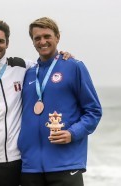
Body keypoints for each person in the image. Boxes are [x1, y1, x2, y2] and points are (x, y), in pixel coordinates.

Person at [0, 18, 71, 186]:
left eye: (0, 41)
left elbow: (48, 65)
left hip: (12, 161)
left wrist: (63, 56)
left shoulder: (22, 67)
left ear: (7, 43)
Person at [18, 17, 102, 186]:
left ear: (57, 37)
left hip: (66, 164)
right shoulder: (28, 74)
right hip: (30, 167)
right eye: (37, 38)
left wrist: (73, 133)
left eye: (47, 36)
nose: (42, 41)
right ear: (33, 42)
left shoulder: (74, 67)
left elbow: (93, 111)